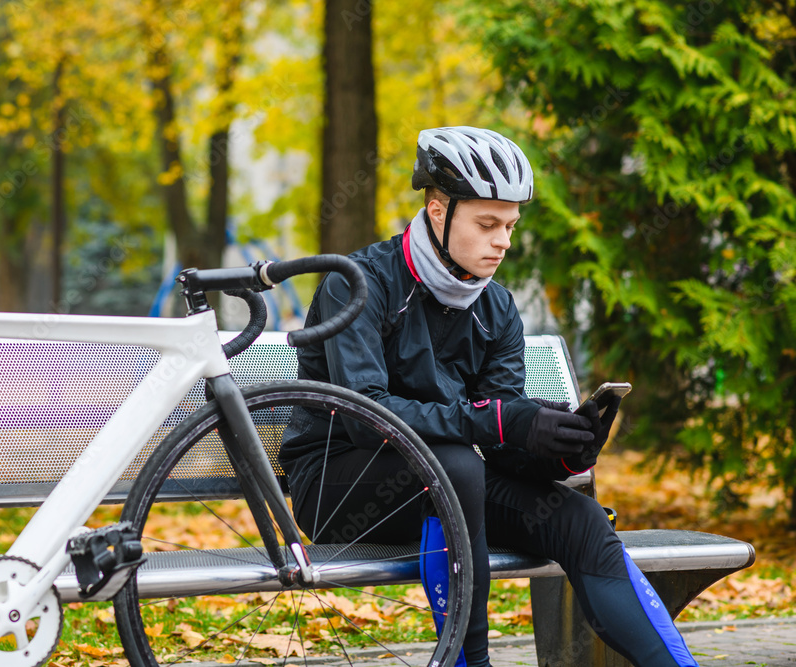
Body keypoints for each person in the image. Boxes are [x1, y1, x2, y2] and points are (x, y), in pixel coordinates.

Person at [278, 126, 698, 667]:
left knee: (579, 519)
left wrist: (563, 450)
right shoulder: (359, 283)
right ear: (437, 211)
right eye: (487, 224)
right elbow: (368, 418)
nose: (503, 241)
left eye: (510, 225)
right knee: (454, 464)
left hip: (449, 488)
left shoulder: (496, 307)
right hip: (340, 484)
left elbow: (500, 444)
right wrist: (501, 420)